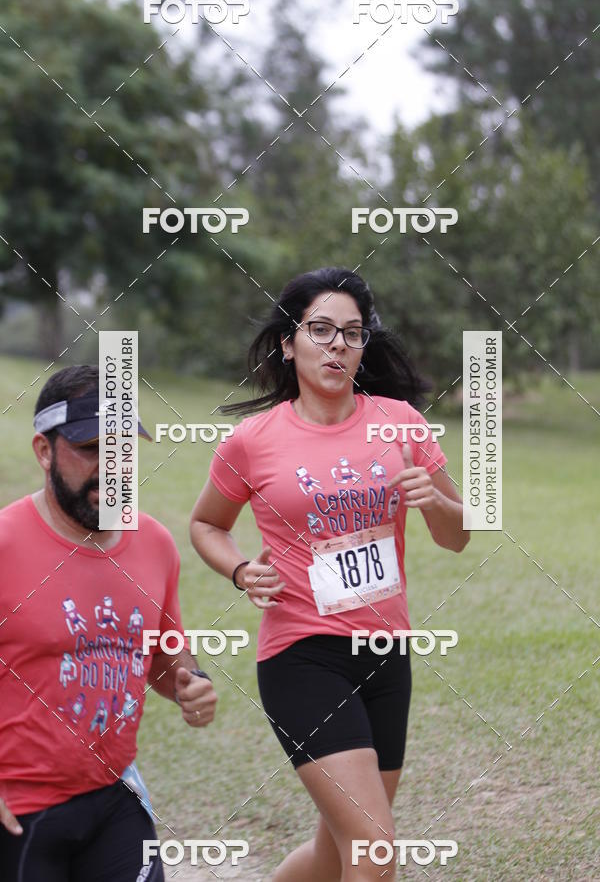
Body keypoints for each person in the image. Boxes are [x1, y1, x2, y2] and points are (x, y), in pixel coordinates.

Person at [190, 267, 469, 880]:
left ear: (364, 345)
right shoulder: (252, 441)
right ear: (289, 343)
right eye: (320, 329)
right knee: (374, 849)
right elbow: (206, 525)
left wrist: (435, 500)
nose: (337, 344)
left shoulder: (401, 423)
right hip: (301, 655)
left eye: (352, 332)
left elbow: (457, 537)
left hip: (385, 653)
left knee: (334, 851)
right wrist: (240, 570)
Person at [0, 365, 217, 882]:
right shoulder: (5, 544)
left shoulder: (155, 544)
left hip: (115, 795)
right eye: (91, 449)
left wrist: (191, 683)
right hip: (20, 810)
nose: (111, 468)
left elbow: (164, 658)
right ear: (44, 451)